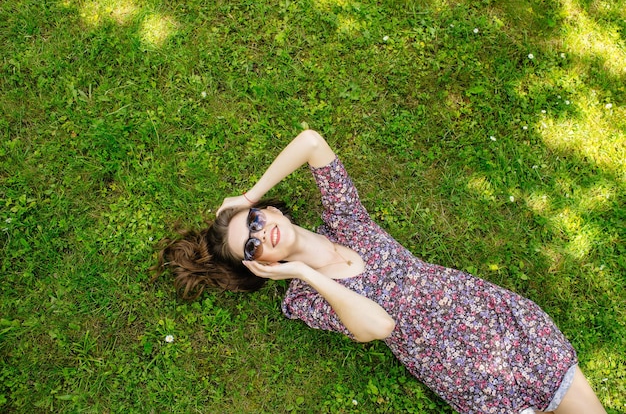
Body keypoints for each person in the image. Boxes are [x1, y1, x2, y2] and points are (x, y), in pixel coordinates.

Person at [154, 130, 606, 414]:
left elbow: (312, 143)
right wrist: (305, 274)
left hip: (495, 319)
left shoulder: (347, 222)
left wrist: (247, 195)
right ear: (259, 264)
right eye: (250, 245)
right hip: (466, 372)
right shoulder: (306, 300)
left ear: (269, 211)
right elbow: (379, 325)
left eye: (255, 221)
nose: (260, 233)